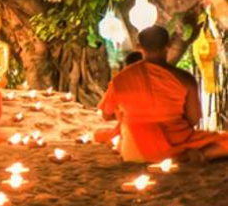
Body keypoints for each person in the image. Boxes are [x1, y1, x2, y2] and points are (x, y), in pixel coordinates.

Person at [98, 25, 228, 162]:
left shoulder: (120, 79)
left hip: (135, 149)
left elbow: (106, 115)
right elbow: (194, 119)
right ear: (169, 44)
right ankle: (195, 155)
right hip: (177, 140)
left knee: (116, 136)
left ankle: (175, 155)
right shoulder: (184, 79)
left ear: (138, 46)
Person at [95, 51, 142, 144]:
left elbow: (106, 115)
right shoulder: (160, 80)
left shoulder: (119, 82)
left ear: (126, 66)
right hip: (162, 133)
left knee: (99, 134)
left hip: (130, 133)